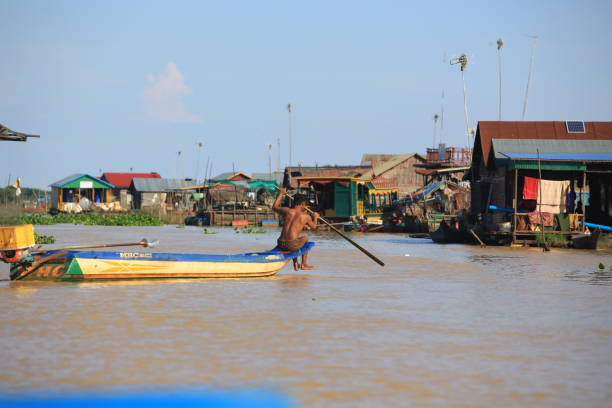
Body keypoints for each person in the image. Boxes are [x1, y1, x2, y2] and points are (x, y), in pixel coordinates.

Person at [272, 188, 318, 270]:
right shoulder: (305, 217)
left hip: (280, 243)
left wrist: (281, 194)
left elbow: (274, 207)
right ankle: (304, 264)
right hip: (291, 245)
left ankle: (295, 263)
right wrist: (315, 217)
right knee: (305, 239)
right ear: (303, 204)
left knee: (295, 239)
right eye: (305, 204)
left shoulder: (287, 211)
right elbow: (314, 226)